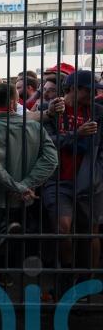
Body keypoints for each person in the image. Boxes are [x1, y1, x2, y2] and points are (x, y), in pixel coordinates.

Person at [0, 83, 57, 277]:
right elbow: (52, 160)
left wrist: (17, 186)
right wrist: (25, 185)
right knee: (15, 241)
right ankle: (8, 278)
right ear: (15, 101)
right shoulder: (34, 126)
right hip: (22, 197)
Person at [42, 70, 103, 285]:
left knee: (91, 231)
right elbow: (46, 143)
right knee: (63, 227)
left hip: (90, 180)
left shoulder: (97, 111)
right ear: (73, 89)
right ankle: (67, 274)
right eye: (89, 91)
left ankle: (87, 281)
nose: (93, 95)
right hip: (58, 179)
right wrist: (78, 134)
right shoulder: (50, 110)